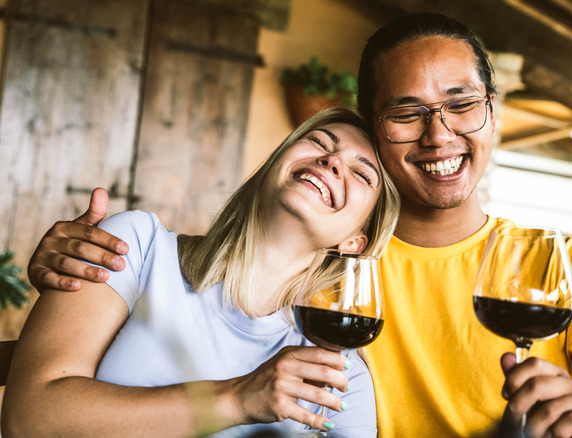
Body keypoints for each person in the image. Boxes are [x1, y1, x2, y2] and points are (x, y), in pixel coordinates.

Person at [24, 13, 572, 438]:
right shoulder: (326, 278)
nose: (439, 134)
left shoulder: (562, 266)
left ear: (492, 112)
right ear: (378, 127)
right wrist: (73, 259)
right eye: (406, 112)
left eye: (461, 104)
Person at [3, 108, 400, 438]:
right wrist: (237, 399)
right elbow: (27, 418)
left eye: (361, 174)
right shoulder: (135, 246)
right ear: (275, 163)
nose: (332, 161)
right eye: (319, 142)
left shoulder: (339, 377)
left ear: (354, 242)